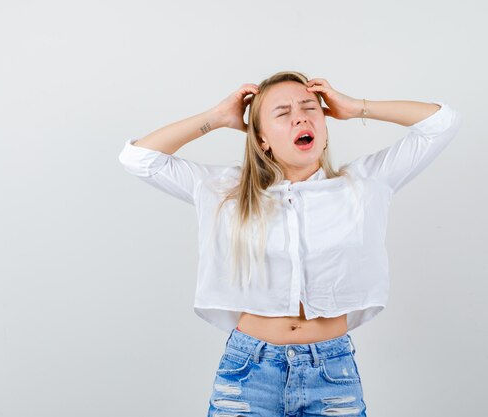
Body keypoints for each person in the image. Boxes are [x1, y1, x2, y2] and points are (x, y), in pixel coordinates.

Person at [118, 71, 462, 416]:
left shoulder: (365, 184)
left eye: (310, 107)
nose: (299, 116)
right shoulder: (225, 190)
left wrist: (356, 107)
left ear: (324, 128)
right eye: (282, 113)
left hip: (331, 372)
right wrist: (218, 117)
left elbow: (441, 122)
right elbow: (138, 158)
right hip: (248, 371)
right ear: (262, 139)